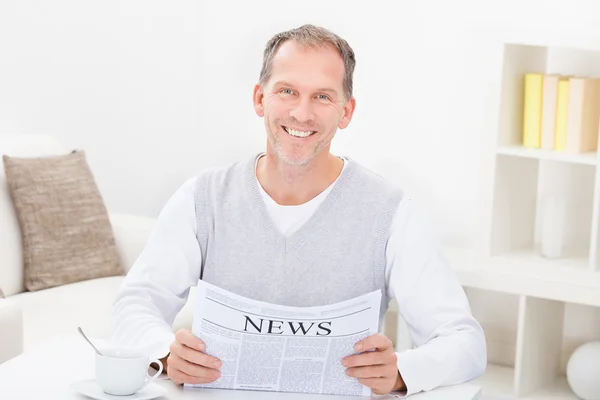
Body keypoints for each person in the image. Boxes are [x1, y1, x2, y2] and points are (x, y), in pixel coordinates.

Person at [112, 24, 486, 396]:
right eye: (287, 91)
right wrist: (163, 353)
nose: (301, 113)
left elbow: (464, 342)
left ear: (346, 111)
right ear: (260, 99)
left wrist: (401, 371)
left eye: (322, 97)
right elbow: (135, 304)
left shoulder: (389, 212)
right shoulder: (202, 198)